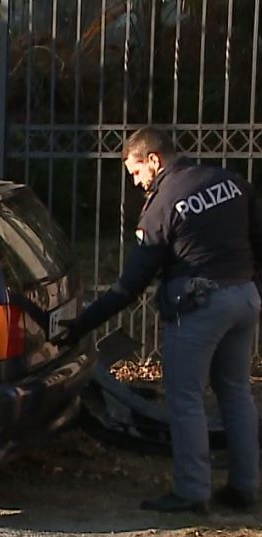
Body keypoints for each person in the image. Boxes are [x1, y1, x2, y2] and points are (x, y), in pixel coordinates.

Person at [62, 126, 261, 514]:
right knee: (236, 393)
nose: (136, 183)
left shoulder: (164, 203)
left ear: (153, 160)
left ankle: (191, 492)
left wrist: (82, 324)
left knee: (185, 398)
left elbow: (130, 285)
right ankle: (245, 487)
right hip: (244, 299)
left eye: (136, 172)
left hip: (200, 307)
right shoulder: (230, 181)